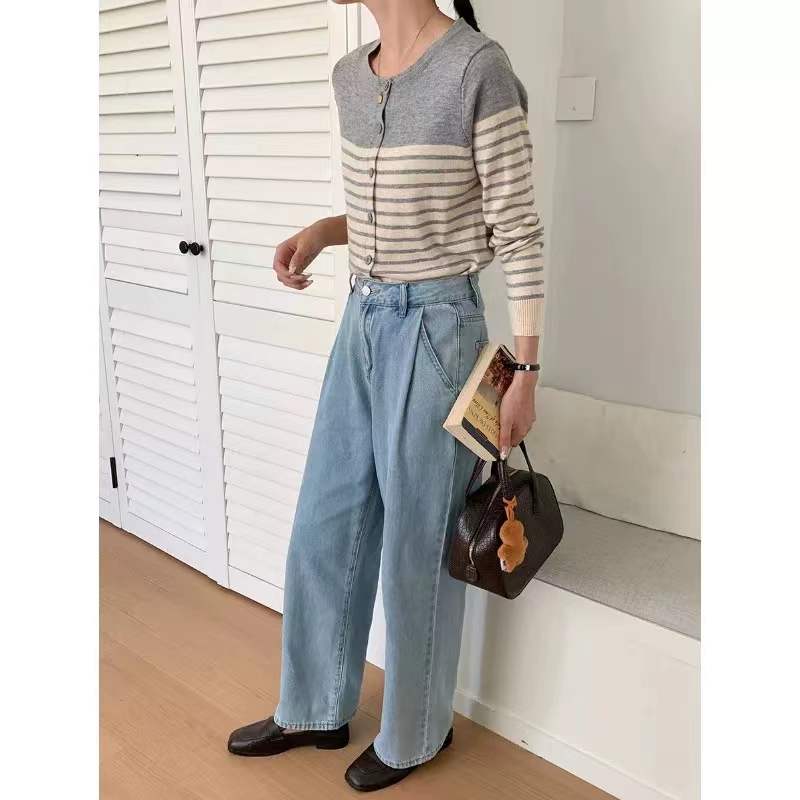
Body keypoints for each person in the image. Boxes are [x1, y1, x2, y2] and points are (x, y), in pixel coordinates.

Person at [227, 0, 545, 791]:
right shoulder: (349, 77)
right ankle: (314, 706)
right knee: (324, 520)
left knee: (416, 541)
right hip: (362, 320)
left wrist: (526, 374)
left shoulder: (477, 69)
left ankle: (417, 732)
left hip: (440, 330)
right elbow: (398, 205)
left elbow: (518, 230)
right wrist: (324, 231)